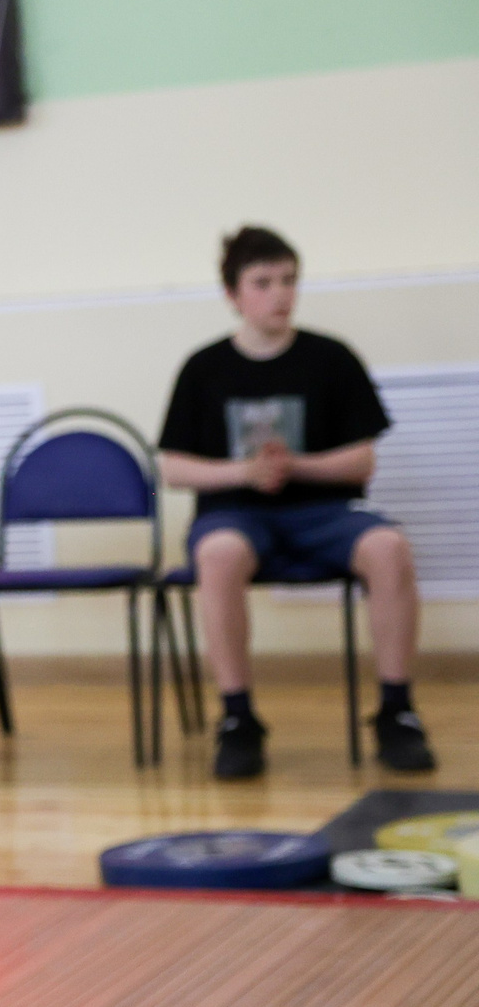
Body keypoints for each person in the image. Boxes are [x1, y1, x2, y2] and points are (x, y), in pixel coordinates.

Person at [156, 225, 430, 778]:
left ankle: (397, 712)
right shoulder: (203, 368)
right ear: (233, 295)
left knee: (388, 545)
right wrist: (245, 473)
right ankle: (238, 720)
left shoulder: (331, 358)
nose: (280, 293)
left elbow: (362, 460)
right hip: (236, 514)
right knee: (218, 556)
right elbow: (170, 466)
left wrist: (294, 466)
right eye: (263, 282)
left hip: (325, 512)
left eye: (289, 280)